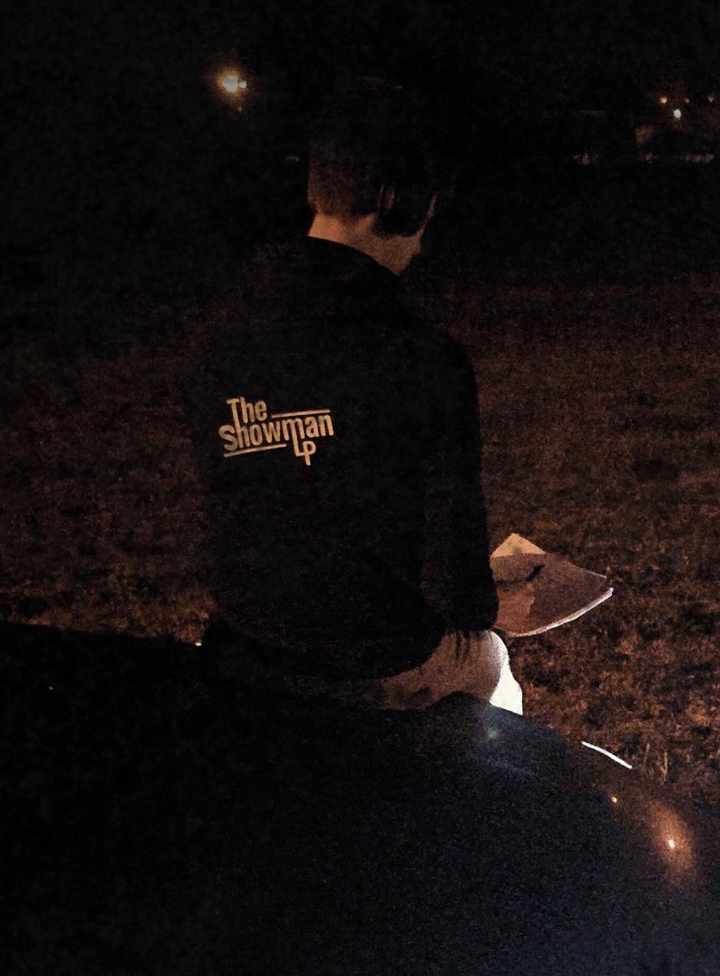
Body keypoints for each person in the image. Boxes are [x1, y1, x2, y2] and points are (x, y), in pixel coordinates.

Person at [185, 77, 522, 713]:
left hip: (245, 643)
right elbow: (456, 581)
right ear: (397, 201)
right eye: (426, 217)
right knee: (490, 663)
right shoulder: (420, 357)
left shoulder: (217, 339)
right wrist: (493, 603)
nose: (422, 242)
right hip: (373, 657)